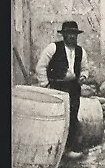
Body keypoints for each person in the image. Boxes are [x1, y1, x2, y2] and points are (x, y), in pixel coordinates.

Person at [36, 21, 90, 160]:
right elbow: (41, 67)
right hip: (57, 88)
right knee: (57, 119)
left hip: (73, 89)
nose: (72, 36)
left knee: (72, 117)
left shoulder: (80, 51)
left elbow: (84, 68)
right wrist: (45, 85)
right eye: (69, 33)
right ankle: (54, 151)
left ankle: (70, 149)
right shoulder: (53, 48)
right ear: (64, 35)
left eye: (74, 34)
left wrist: (83, 77)